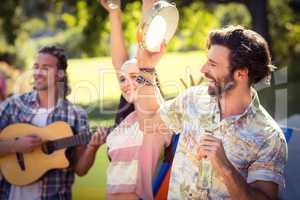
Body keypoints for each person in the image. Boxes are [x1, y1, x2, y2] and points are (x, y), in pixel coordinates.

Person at [135, 25, 288, 199]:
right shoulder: (192, 100)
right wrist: (146, 69)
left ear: (241, 73)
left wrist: (226, 169)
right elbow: (148, 123)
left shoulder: (269, 137)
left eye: (213, 64)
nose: (203, 70)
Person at [0, 45, 104, 200]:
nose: (38, 73)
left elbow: (81, 170)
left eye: (46, 68)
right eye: (36, 67)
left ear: (60, 74)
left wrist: (93, 147)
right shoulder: (13, 106)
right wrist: (15, 145)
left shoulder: (76, 115)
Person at [97, 1, 171, 199]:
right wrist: (114, 12)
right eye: (122, 78)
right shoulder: (127, 122)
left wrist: (148, 4)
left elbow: (143, 55)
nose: (126, 83)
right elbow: (120, 64)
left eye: (135, 77)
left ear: (148, 77)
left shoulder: (157, 117)